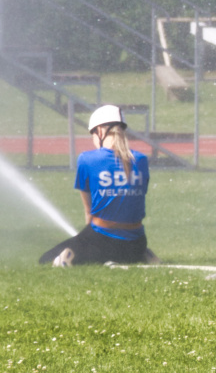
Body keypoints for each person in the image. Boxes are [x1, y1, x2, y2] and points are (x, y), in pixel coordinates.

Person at [40, 105, 157, 266]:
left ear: (100, 131)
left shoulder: (87, 159)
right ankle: (142, 254)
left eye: (92, 134)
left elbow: (89, 213)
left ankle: (79, 257)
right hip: (137, 243)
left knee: (45, 260)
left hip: (102, 242)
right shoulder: (141, 160)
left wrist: (82, 241)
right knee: (118, 245)